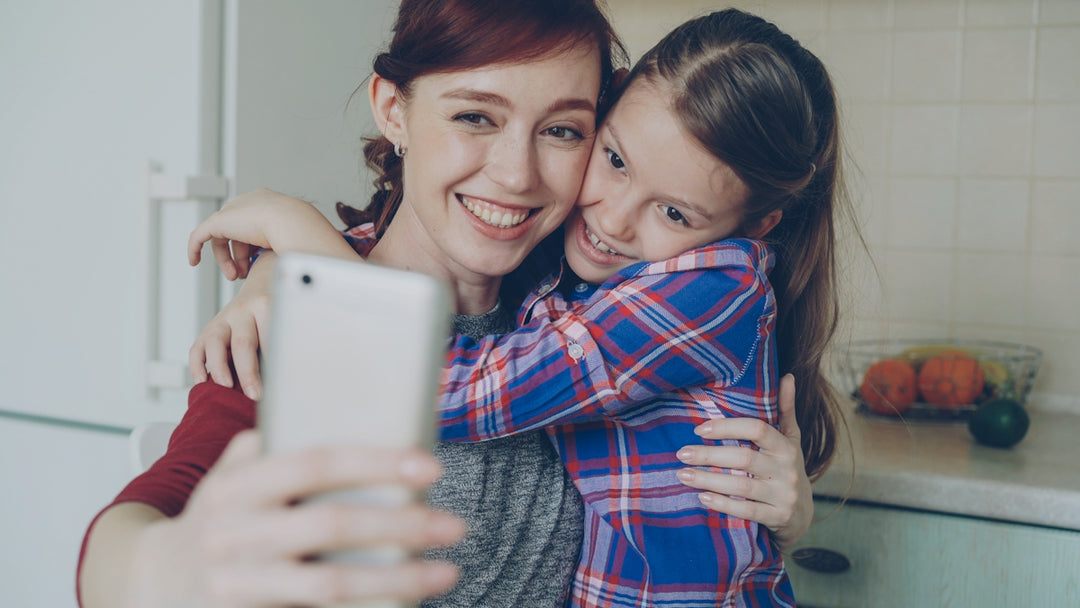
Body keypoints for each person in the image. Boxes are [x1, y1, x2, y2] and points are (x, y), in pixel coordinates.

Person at [78, 2, 815, 607]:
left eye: (561, 130)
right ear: (393, 111)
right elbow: (149, 520)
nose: (516, 174)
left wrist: (786, 516)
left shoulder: (577, 287)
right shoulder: (289, 320)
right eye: (474, 118)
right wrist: (154, 571)